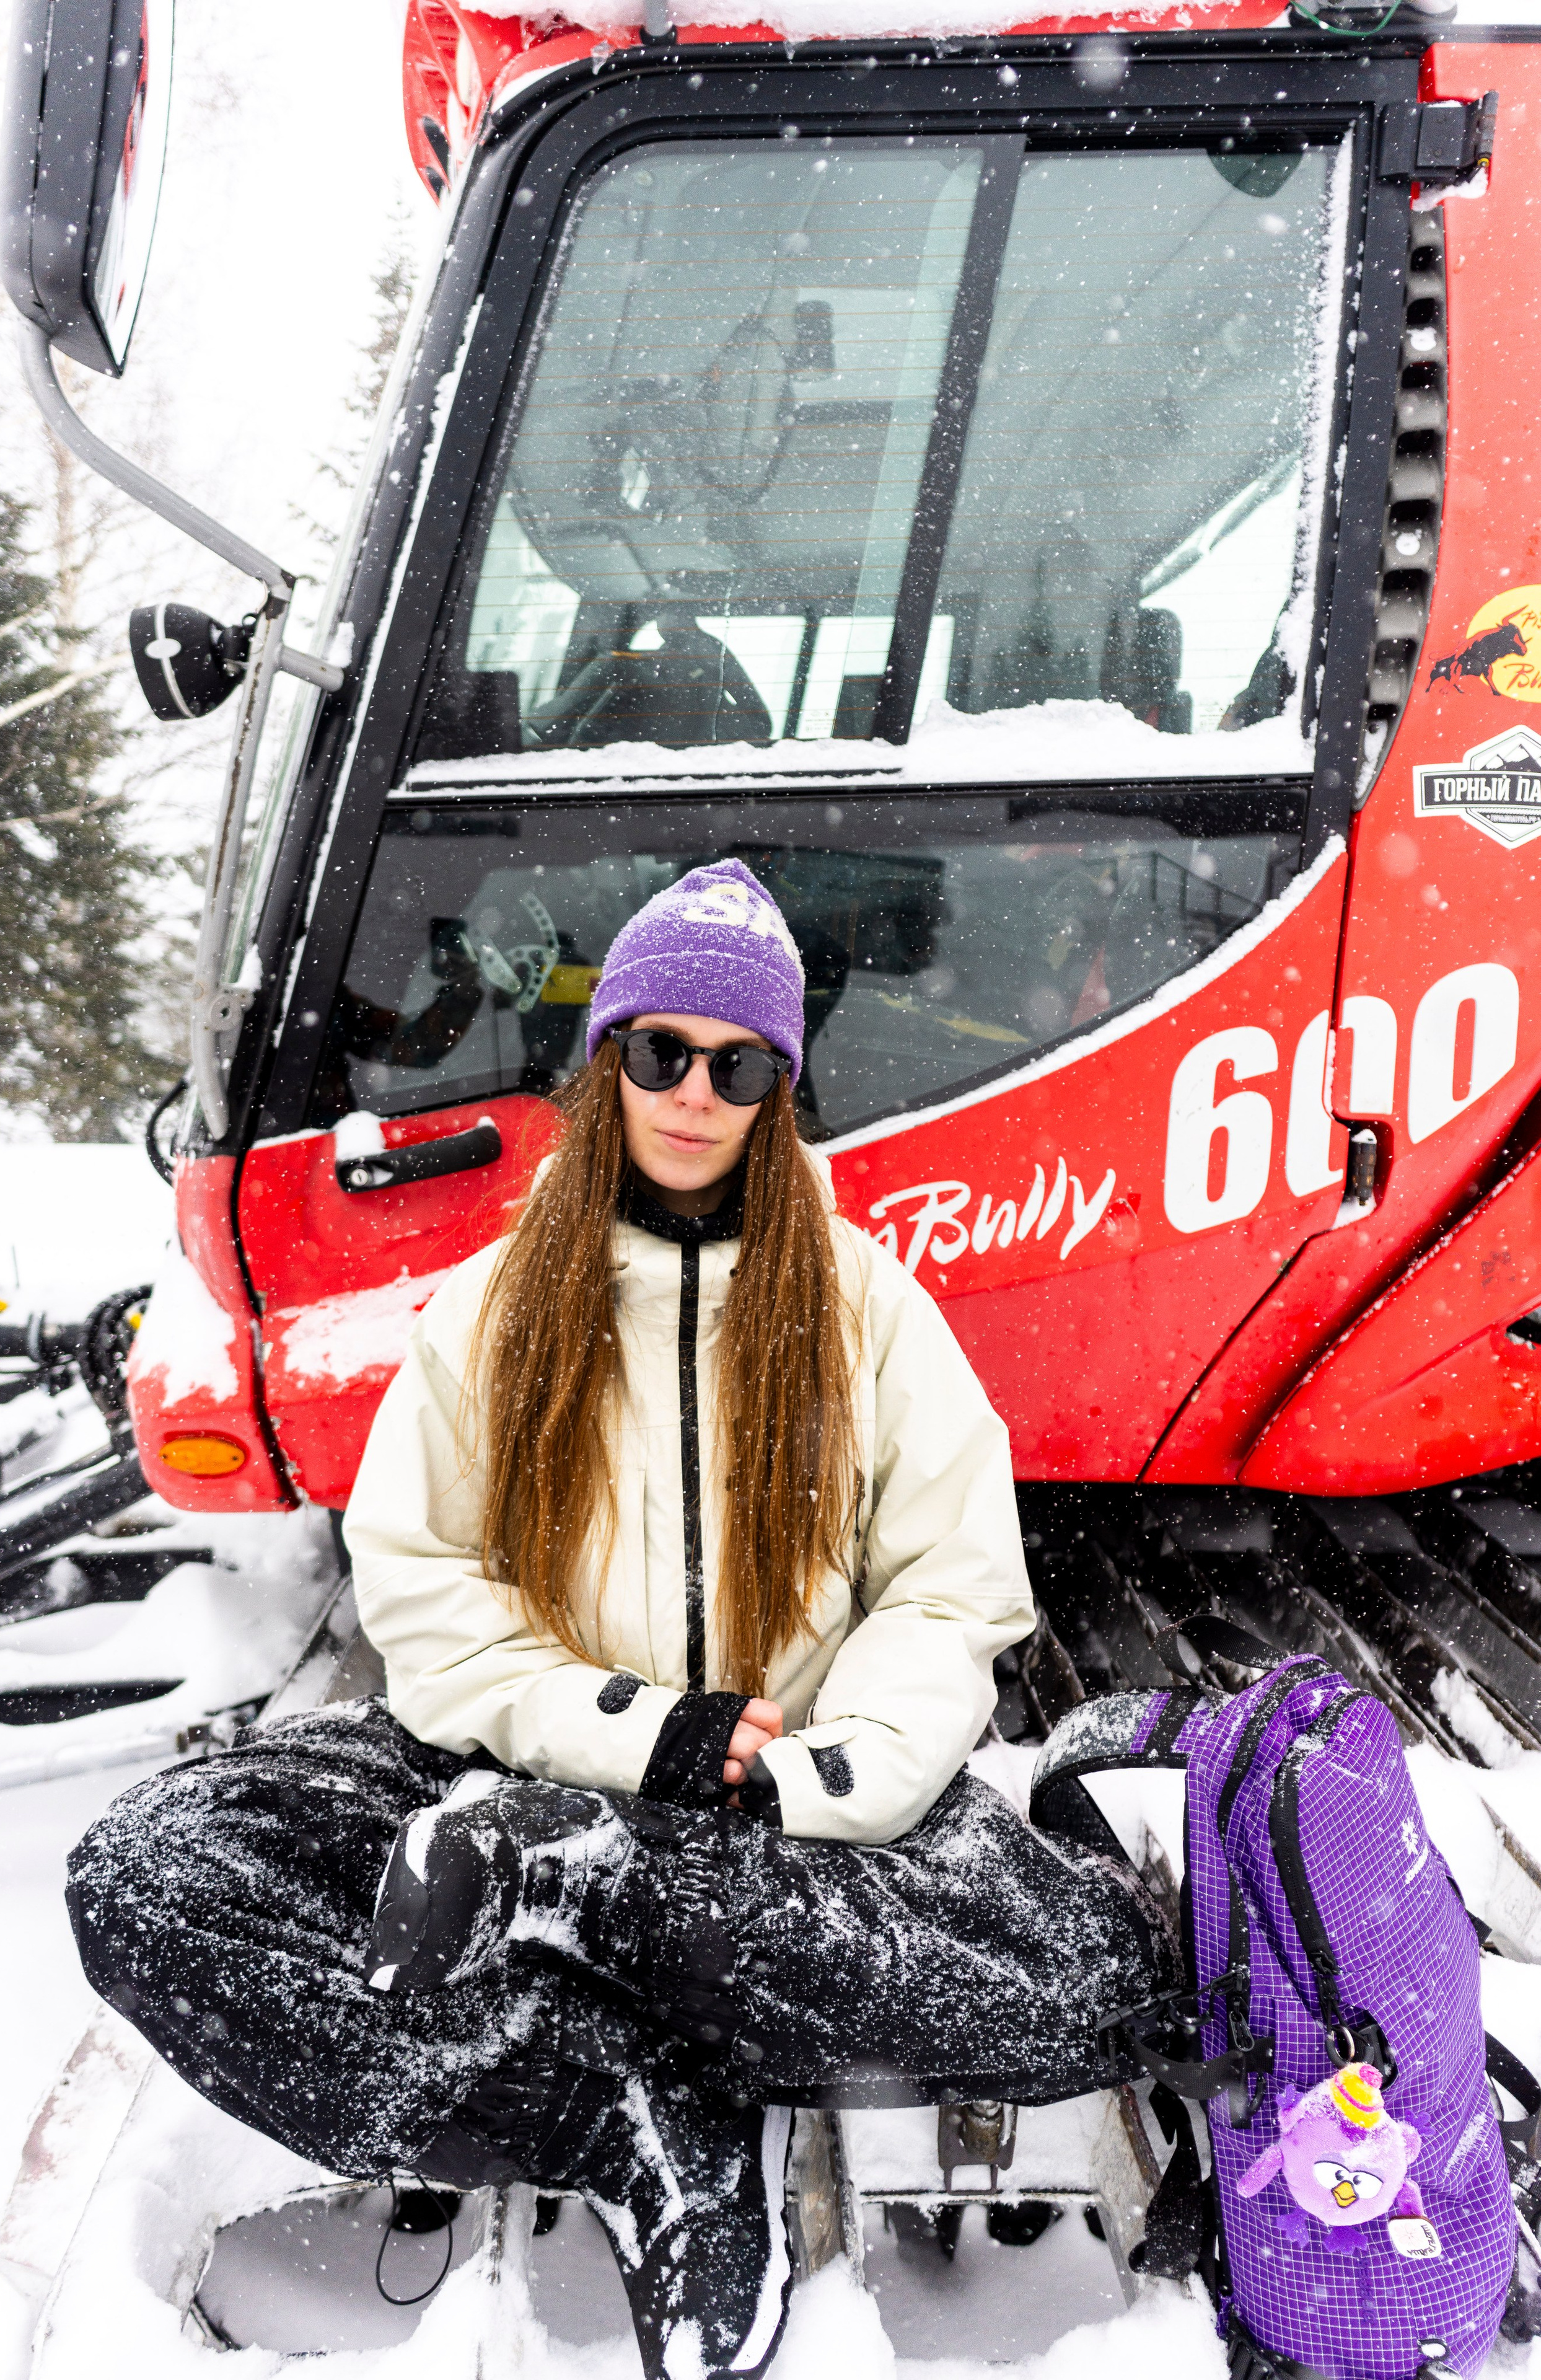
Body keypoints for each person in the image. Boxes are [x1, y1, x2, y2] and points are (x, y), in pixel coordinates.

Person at [66, 859, 1172, 2380]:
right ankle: (622, 2105)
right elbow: (424, 1598)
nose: (695, 1092)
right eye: (660, 1051)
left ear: (780, 1085)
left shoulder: (867, 1308)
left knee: (1082, 1991)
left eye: (740, 1064)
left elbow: (949, 1589)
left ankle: (588, 1898)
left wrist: (815, 1775)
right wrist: (637, 1740)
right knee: (149, 1880)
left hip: (794, 1824)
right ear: (607, 1063)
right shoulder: (494, 1308)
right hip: (532, 1778)